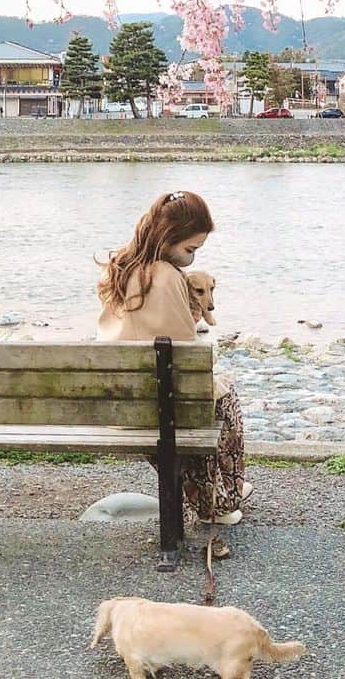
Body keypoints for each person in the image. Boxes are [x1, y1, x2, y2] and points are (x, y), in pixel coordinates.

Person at [97, 190, 251, 525]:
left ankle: (215, 492)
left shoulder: (121, 269)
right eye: (190, 249)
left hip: (116, 402)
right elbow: (186, 360)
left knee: (202, 394)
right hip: (153, 408)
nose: (192, 259)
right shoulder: (167, 278)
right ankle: (218, 502)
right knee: (223, 399)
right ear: (170, 238)